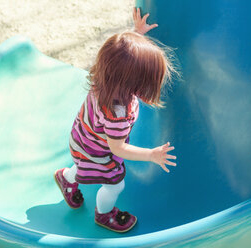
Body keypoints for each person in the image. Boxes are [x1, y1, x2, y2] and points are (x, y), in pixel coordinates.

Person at [54, 7, 177, 233]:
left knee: (82, 164)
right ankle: (104, 214)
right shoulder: (118, 113)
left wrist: (136, 34)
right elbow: (118, 148)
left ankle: (66, 178)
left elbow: (120, 59)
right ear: (133, 84)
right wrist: (151, 154)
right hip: (99, 151)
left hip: (82, 139)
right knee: (114, 185)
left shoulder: (103, 77)